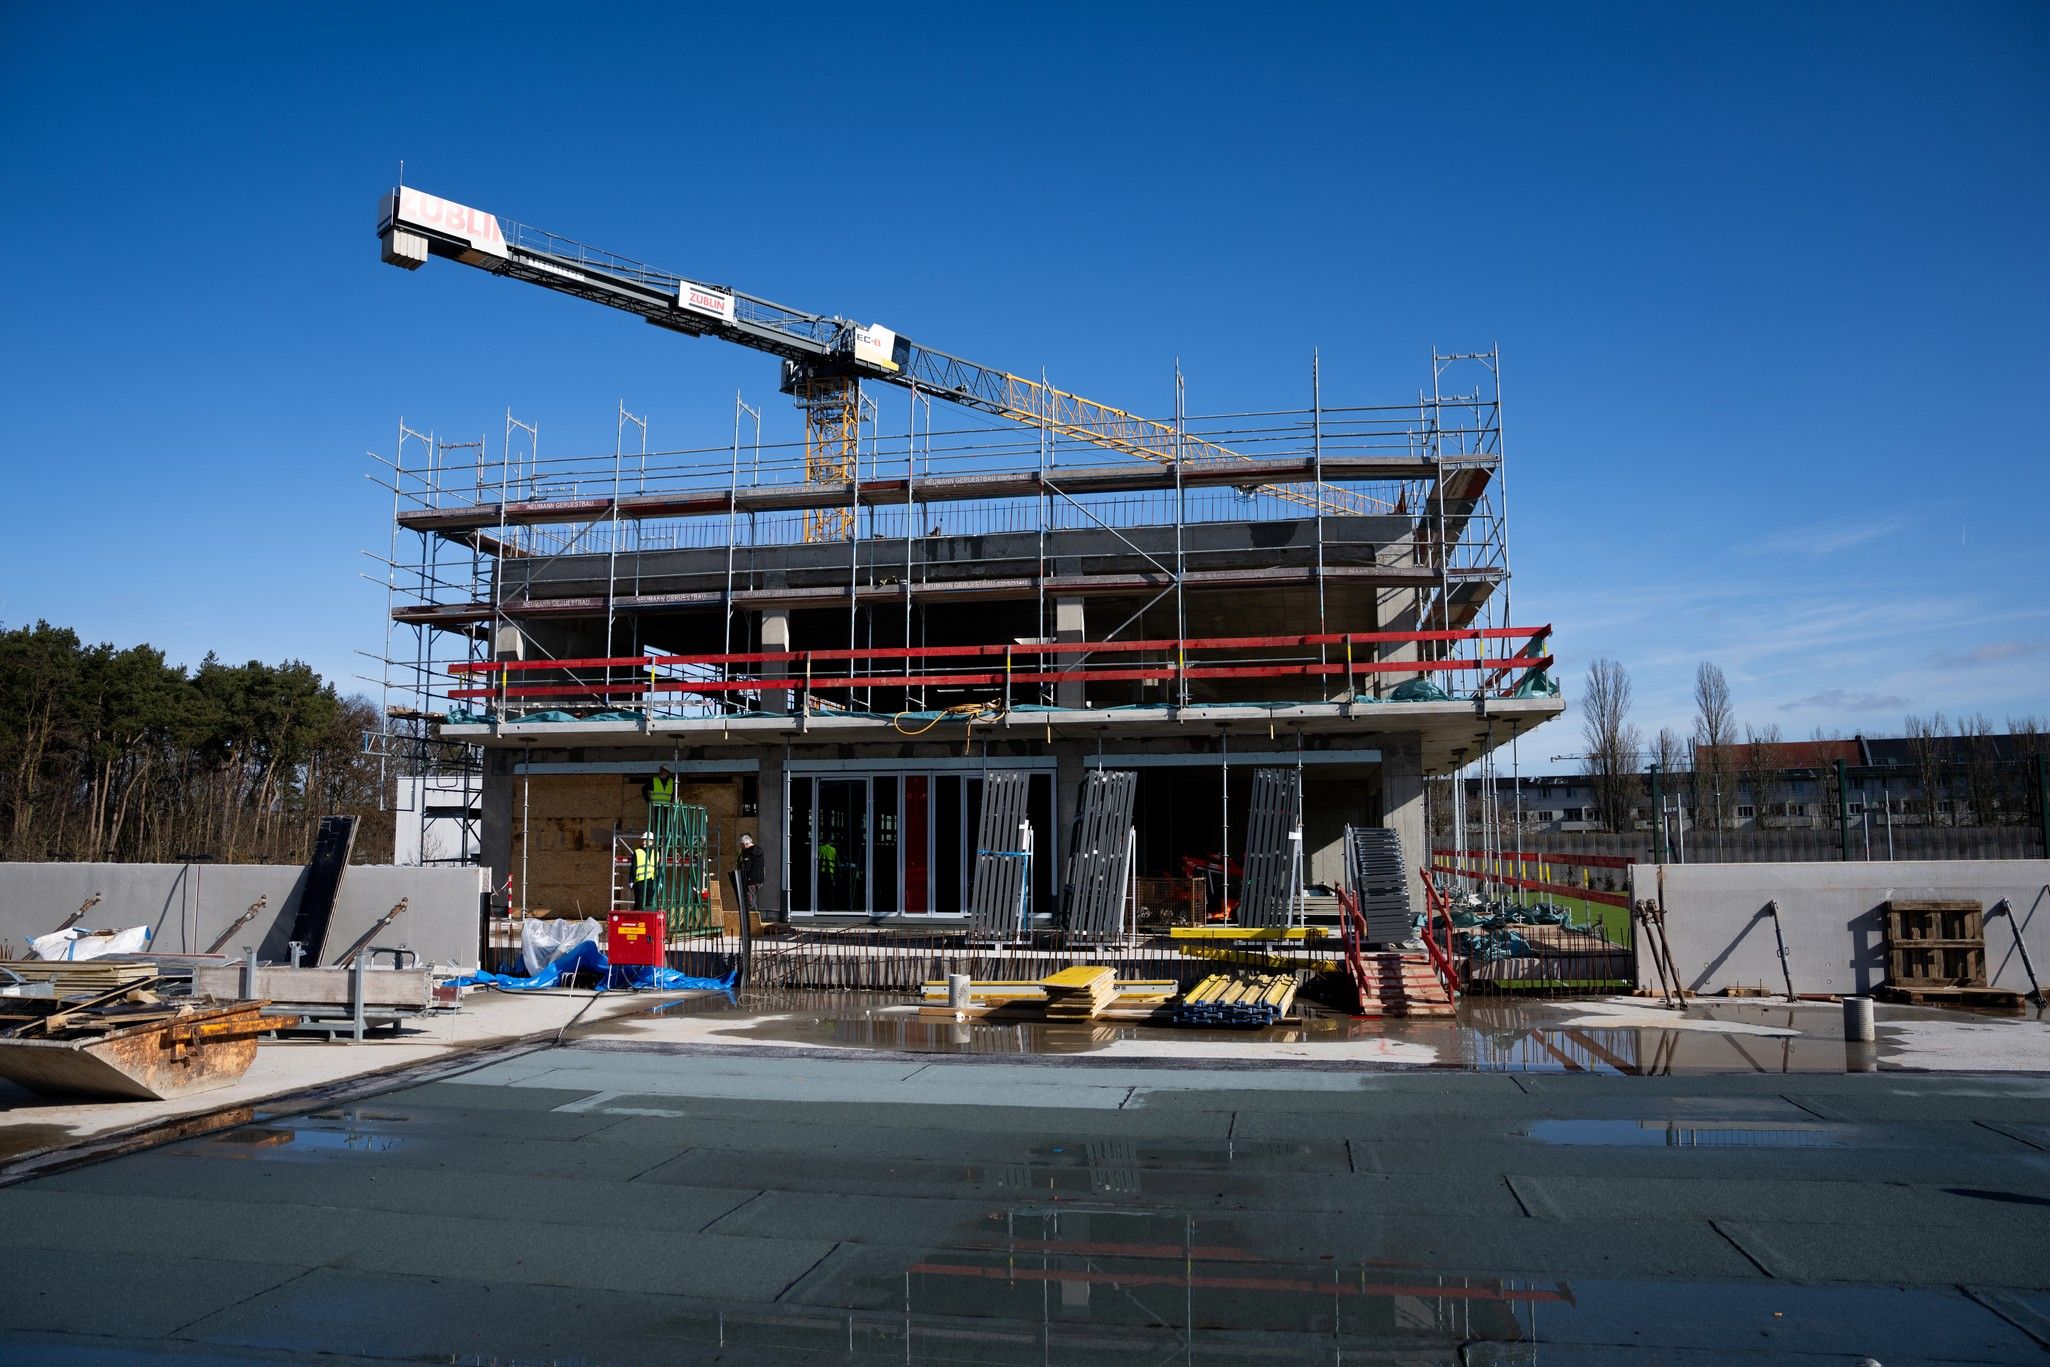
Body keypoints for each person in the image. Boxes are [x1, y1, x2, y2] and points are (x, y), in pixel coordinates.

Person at [738, 832, 764, 920]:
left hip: (751, 879)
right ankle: (753, 915)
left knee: (749, 896)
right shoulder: (759, 850)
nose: (741, 847)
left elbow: (748, 867)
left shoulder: (748, 853)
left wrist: (746, 876)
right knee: (753, 895)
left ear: (746, 844)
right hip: (759, 879)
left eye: (741, 845)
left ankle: (751, 915)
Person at [632, 831, 657, 910]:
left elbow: (658, 868)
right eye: (643, 840)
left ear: (651, 841)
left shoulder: (656, 853)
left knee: (648, 904)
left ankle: (645, 921)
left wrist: (660, 881)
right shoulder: (637, 852)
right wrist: (631, 880)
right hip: (640, 882)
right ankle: (636, 920)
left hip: (651, 881)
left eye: (646, 840)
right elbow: (633, 867)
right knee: (639, 903)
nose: (644, 842)